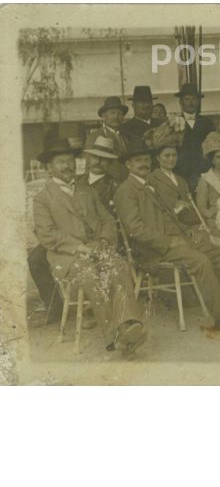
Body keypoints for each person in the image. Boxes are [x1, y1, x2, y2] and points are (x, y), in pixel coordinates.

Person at [32, 138, 147, 357]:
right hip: (66, 255)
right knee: (91, 275)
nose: (67, 166)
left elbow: (107, 220)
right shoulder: (42, 199)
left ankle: (128, 325)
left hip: (97, 247)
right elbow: (47, 235)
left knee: (119, 266)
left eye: (70, 161)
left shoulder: (87, 191)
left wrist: (103, 241)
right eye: (61, 162)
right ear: (49, 167)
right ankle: (113, 336)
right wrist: (80, 248)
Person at [114, 146, 220, 334]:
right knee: (200, 262)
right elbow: (135, 230)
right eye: (137, 161)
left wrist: (187, 231)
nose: (144, 164)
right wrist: (168, 242)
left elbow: (169, 218)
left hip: (174, 240)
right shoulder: (126, 191)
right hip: (152, 250)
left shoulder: (148, 186)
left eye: (146, 159)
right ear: (128, 165)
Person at [173, 83, 215, 191]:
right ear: (181, 102)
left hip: (204, 172)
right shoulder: (174, 123)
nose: (191, 103)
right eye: (187, 99)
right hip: (181, 173)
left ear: (198, 102)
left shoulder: (207, 123)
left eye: (194, 99)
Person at [85, 96, 129, 181]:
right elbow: (90, 164)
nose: (116, 117)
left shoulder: (124, 136)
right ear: (104, 116)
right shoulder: (96, 136)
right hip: (106, 184)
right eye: (112, 113)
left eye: (120, 114)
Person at [76, 136, 120, 214]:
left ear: (110, 162)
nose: (98, 161)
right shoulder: (76, 181)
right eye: (94, 156)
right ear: (88, 158)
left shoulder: (115, 187)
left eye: (104, 158)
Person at [120, 86, 162, 151]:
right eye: (142, 102)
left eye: (149, 101)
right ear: (133, 105)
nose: (146, 105)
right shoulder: (125, 128)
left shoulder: (161, 124)